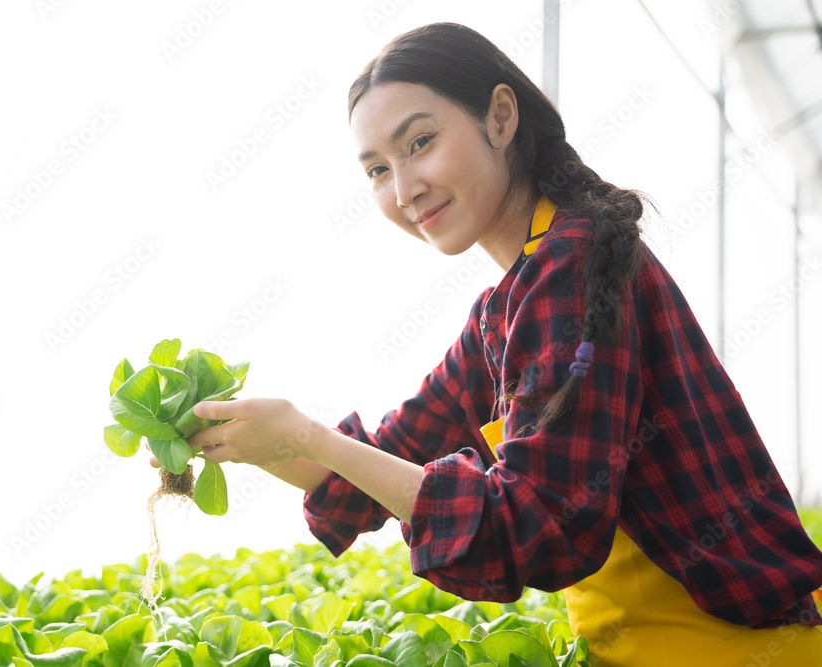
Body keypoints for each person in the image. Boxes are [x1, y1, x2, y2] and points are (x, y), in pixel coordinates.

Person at [152, 22, 822, 665]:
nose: (404, 189)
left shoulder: (572, 264)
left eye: (418, 143)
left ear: (501, 118)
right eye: (377, 170)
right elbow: (384, 460)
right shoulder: (503, 311)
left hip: (735, 648)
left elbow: (541, 528)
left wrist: (310, 438)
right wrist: (251, 439)